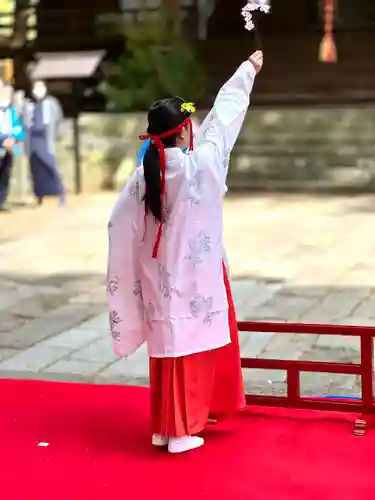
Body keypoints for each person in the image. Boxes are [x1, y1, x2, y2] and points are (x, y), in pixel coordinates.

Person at [107, 51, 263, 454]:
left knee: (166, 351)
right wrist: (246, 70)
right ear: (185, 130)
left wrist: (136, 263)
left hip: (159, 279)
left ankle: (164, 426)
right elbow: (223, 122)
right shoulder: (204, 166)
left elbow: (118, 223)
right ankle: (181, 430)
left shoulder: (144, 177)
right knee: (190, 351)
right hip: (195, 281)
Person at [22, 80, 66, 206]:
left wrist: (58, 135)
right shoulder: (27, 104)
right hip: (32, 138)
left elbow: (59, 119)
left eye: (41, 87)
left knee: (51, 166)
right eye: (36, 87)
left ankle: (60, 193)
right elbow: (23, 121)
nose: (38, 90)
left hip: (46, 137)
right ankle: (39, 195)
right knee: (36, 168)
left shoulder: (52, 103)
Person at [0, 81, 24, 212]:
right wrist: (3, 140)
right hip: (2, 145)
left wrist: (17, 139)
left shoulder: (11, 112)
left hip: (9, 148)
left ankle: (1, 202)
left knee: (5, 175)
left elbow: (17, 127)